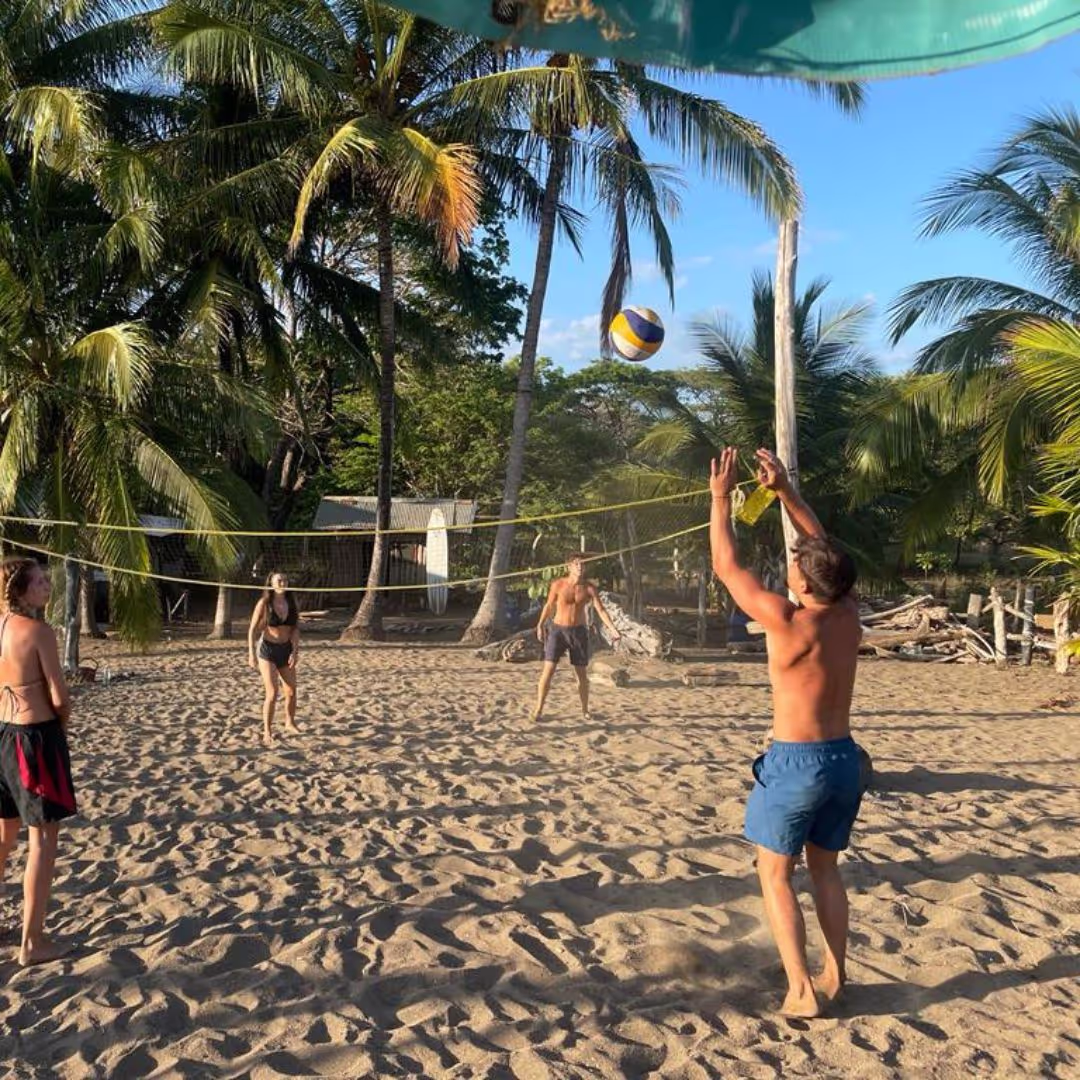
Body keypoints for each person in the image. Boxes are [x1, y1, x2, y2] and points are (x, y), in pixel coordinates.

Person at [710, 447, 862, 1019]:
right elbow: (823, 549)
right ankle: (834, 974)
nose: (792, 562)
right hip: (846, 760)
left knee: (775, 872)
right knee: (825, 867)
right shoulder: (846, 610)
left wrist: (721, 498)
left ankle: (801, 990)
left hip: (797, 762)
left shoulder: (786, 618)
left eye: (796, 564)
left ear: (803, 581)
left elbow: (727, 567)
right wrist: (785, 493)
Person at [0, 557, 76, 966]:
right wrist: (61, 726)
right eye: (41, 582)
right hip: (34, 737)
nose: (48, 586)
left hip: (3, 735)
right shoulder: (39, 631)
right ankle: (32, 943)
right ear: (22, 590)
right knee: (43, 841)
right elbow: (61, 697)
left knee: (4, 834)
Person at [532, 554, 622, 721]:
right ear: (569, 567)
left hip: (578, 633)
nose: (580, 567)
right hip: (558, 631)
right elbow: (549, 605)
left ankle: (585, 710)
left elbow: (601, 610)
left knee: (581, 674)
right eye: (577, 564)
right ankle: (538, 709)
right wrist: (540, 624)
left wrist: (613, 629)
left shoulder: (589, 588)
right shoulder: (558, 584)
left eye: (583, 565)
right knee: (548, 671)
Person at [247, 572, 301, 746]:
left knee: (291, 691)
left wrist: (295, 651)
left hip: (285, 650)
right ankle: (267, 731)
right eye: (279, 580)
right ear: (271, 583)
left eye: (285, 579)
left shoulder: (292, 602)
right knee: (272, 693)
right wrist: (251, 653)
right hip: (267, 651)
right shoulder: (264, 603)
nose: (283, 582)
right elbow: (252, 630)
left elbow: (295, 630)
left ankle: (289, 722)